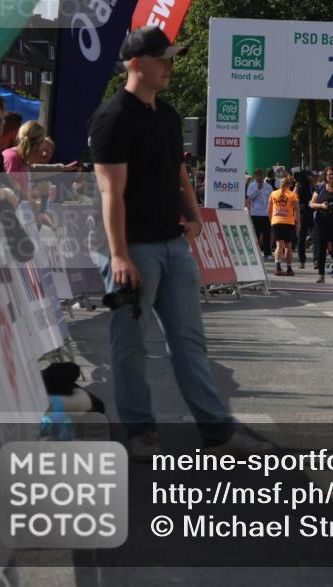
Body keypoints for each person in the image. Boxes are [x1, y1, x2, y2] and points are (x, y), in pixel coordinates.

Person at [88, 25, 266, 458]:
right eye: (162, 58)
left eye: (172, 57)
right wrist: (118, 256)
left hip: (173, 247)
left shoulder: (167, 116)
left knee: (189, 342)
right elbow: (110, 191)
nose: (170, 65)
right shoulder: (112, 118)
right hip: (132, 252)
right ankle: (138, 431)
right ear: (135, 63)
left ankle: (216, 430)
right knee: (127, 345)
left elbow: (179, 173)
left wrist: (193, 215)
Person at [309, 166, 333, 284]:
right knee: (321, 249)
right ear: (325, 177)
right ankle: (321, 275)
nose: (330, 176)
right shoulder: (320, 188)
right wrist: (322, 206)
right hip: (321, 222)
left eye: (332, 174)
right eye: (328, 175)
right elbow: (311, 204)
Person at [268, 175, 298, 276]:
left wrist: (271, 220)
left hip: (276, 221)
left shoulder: (273, 193)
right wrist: (298, 223)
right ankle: (289, 268)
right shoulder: (292, 194)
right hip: (288, 222)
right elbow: (296, 210)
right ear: (289, 185)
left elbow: (269, 209)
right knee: (288, 246)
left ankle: (278, 267)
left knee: (279, 245)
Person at [246, 168, 273, 259]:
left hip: (266, 214)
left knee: (267, 234)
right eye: (258, 175)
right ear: (255, 176)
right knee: (256, 234)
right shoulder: (251, 185)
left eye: (261, 175)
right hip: (255, 213)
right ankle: (256, 253)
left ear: (264, 175)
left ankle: (268, 253)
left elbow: (272, 199)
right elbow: (249, 197)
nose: (260, 177)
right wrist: (258, 189)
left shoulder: (268, 186)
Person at [294, 170, 314, 270]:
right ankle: (302, 260)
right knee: (302, 236)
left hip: (310, 210)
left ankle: (315, 260)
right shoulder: (300, 185)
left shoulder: (310, 185)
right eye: (309, 175)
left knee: (314, 235)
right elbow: (293, 196)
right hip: (303, 211)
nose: (311, 177)